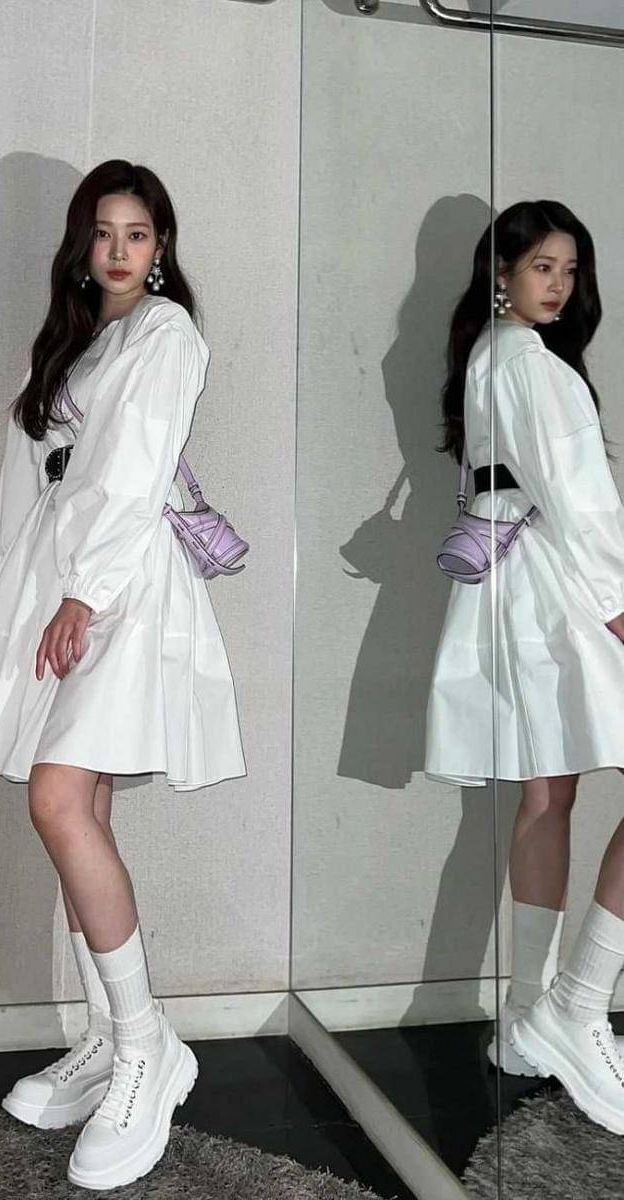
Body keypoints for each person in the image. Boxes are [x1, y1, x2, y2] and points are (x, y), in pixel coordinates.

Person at [0, 159, 245, 1188]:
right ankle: (113, 1033)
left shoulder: (164, 333)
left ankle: (147, 1050)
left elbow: (132, 469)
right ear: (81, 244)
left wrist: (85, 593)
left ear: (160, 248)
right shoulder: (73, 341)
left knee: (58, 798)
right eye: (102, 232)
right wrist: (26, 591)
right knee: (82, 805)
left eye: (136, 234)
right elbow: (32, 477)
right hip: (57, 577)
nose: (117, 250)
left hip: (118, 583)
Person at [426, 200, 624, 1133]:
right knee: (551, 793)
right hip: (557, 587)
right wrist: (619, 602)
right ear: (500, 271)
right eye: (543, 265)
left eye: (570, 270)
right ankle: (577, 1005)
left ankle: (525, 1017)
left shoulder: (489, 355)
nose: (559, 284)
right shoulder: (530, 363)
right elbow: (582, 501)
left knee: (549, 793)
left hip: (515, 584)